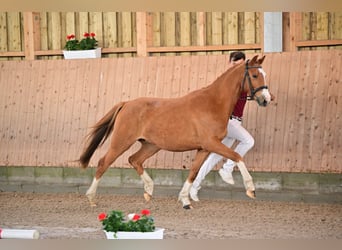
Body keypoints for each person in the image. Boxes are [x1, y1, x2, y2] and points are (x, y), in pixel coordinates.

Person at [190, 51, 270, 202]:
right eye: (234, 64)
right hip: (228, 121)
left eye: (240, 65)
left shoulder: (244, 78)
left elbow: (252, 88)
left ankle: (195, 185)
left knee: (215, 156)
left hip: (236, 121)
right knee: (248, 141)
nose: (237, 68)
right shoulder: (227, 81)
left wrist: (265, 95)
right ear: (229, 64)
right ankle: (227, 169)